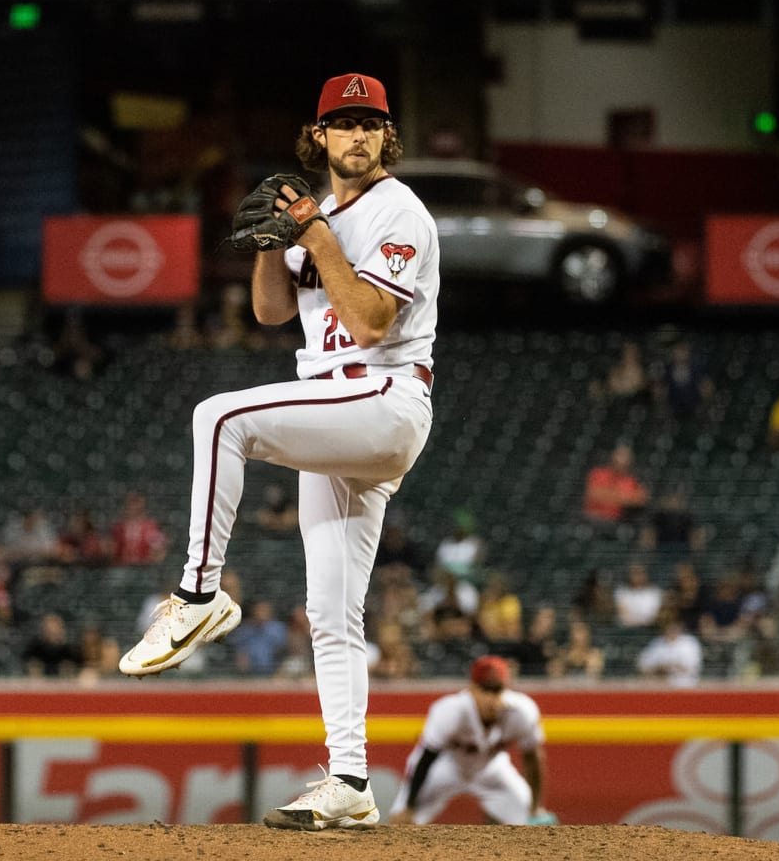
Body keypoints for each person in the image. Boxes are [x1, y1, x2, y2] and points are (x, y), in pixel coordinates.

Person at [118, 72, 438, 833]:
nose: (357, 135)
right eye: (343, 123)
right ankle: (352, 780)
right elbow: (269, 311)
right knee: (331, 613)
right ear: (318, 136)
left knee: (220, 416)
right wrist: (272, 245)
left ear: (387, 137)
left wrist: (316, 237)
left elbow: (367, 323)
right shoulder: (315, 212)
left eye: (371, 124)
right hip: (340, 418)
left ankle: (199, 596)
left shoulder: (400, 212)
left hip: (382, 396)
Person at [387, 656, 552, 826]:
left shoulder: (522, 711)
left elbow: (533, 758)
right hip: (446, 766)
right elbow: (426, 758)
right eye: (485, 690)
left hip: (491, 768)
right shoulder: (451, 710)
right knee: (402, 820)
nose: (491, 698)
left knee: (531, 818)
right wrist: (409, 805)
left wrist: (536, 806)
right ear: (472, 689)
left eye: (497, 690)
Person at [583, 443, 648, 525]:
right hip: (594, 520)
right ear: (612, 457)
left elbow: (641, 500)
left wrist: (610, 495)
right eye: (620, 455)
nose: (622, 460)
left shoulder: (632, 481)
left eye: (626, 457)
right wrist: (625, 497)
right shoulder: (598, 473)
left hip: (618, 521)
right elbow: (594, 494)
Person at [636, 617, 702, 688]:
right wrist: (661, 668)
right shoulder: (657, 643)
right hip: (660, 687)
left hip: (684, 687)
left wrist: (672, 666)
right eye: (669, 627)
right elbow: (642, 666)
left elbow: (692, 668)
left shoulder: (689, 642)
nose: (671, 630)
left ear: (680, 627)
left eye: (674, 627)